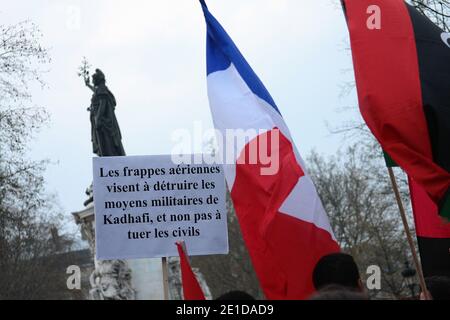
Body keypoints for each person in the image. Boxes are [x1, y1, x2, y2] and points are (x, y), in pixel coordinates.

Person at [85, 69, 125, 157]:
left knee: (106, 142)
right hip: (100, 121)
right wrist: (88, 85)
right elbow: (97, 91)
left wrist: (98, 118)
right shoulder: (101, 89)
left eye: (93, 80)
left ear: (97, 80)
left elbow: (103, 103)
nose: (93, 82)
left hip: (104, 122)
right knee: (103, 142)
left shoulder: (102, 89)